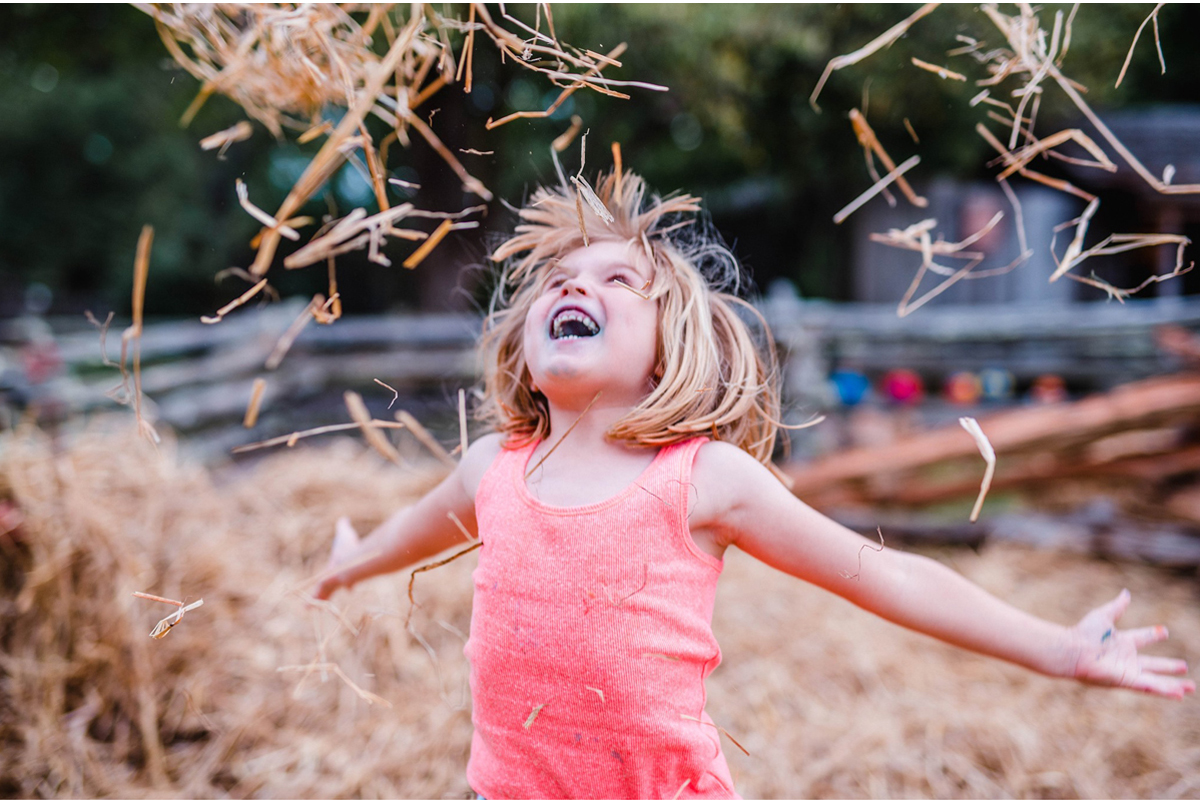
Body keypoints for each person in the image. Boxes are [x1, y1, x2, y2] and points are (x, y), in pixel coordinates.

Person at [313, 162, 1193, 799]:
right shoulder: (493, 467)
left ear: (671, 348)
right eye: (556, 281)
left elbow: (883, 573)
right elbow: (420, 529)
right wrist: (355, 562)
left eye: (618, 279)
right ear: (524, 344)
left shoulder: (703, 480)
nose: (573, 287)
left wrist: (1058, 649)